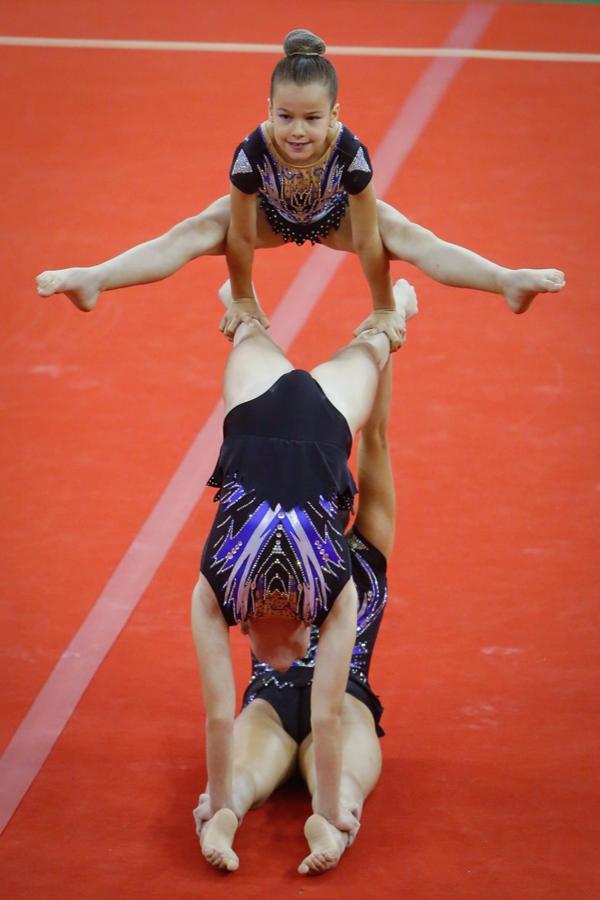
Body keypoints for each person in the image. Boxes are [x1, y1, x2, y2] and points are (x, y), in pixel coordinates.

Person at [35, 30, 564, 350]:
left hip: (336, 219)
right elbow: (240, 239)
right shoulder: (251, 155)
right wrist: (242, 298)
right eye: (285, 116)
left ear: (335, 115)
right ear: (268, 111)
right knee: (195, 230)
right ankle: (95, 278)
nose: (297, 131)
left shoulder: (351, 155)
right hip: (269, 217)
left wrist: (383, 309)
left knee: (409, 235)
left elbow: (370, 242)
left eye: (312, 118)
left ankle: (505, 280)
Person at [191, 279, 415, 874]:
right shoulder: (314, 577)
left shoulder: (363, 551)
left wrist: (383, 358)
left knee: (339, 773)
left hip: (344, 705)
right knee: (240, 776)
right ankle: (229, 810)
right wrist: (378, 346)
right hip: (269, 704)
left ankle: (330, 819)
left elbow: (377, 443)